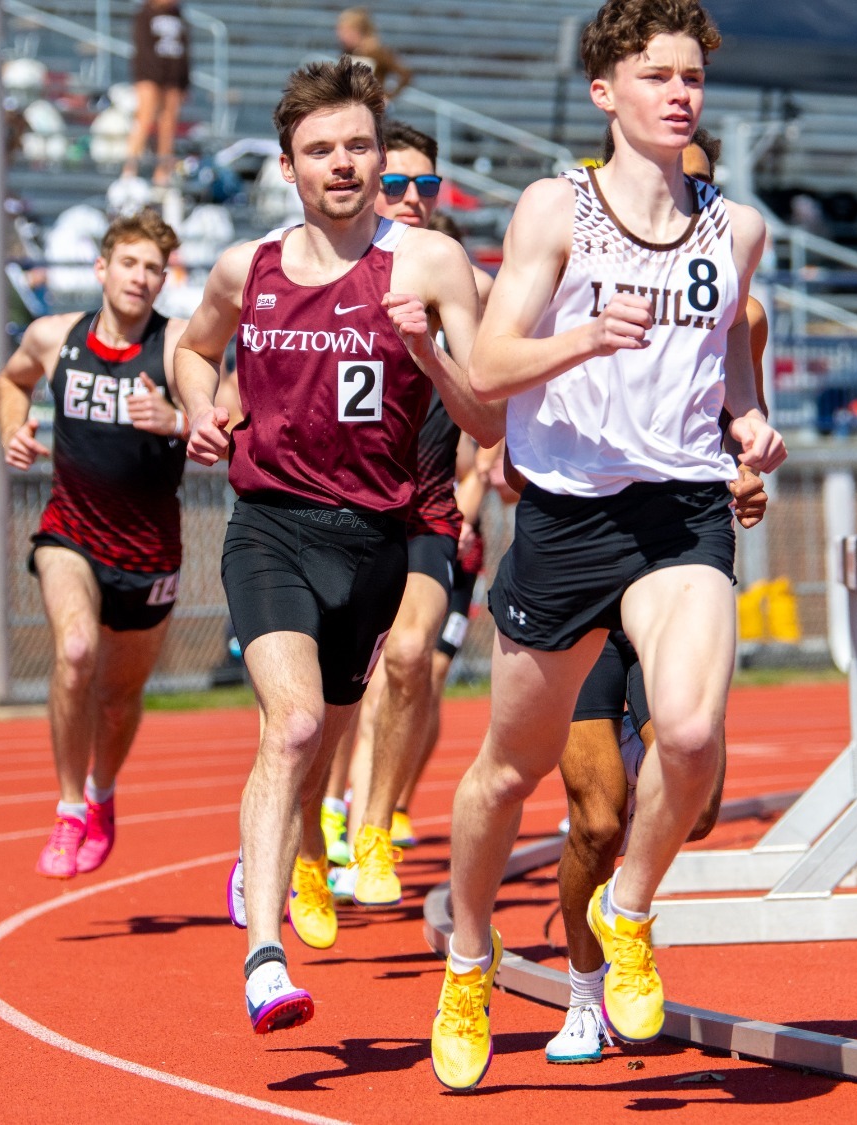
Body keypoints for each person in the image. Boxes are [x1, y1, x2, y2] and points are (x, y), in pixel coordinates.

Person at [430, 0, 781, 1090]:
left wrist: (747, 420)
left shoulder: (739, 228)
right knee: (505, 774)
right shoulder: (555, 210)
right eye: (655, 76)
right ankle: (468, 955)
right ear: (604, 93)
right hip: (566, 516)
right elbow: (484, 374)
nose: (678, 94)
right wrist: (583, 333)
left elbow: (728, 364)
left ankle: (626, 909)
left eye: (690, 76)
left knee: (686, 732)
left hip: (679, 510)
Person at [169, 58, 498, 1036]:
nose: (344, 164)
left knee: (338, 727)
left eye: (358, 145)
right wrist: (197, 409)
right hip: (268, 525)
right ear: (287, 167)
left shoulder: (433, 267)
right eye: (322, 150)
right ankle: (263, 955)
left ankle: (323, 845)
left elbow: (485, 412)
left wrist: (429, 349)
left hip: (373, 541)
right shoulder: (246, 268)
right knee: (296, 727)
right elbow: (193, 347)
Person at [544, 130, 771, 1065]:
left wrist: (749, 469)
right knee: (596, 816)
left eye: (702, 200)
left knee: (701, 798)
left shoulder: (738, 314)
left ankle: (626, 907)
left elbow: (743, 419)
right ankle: (585, 986)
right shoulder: (585, 269)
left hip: (681, 558)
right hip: (588, 557)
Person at [320, 120, 500, 906]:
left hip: (428, 510)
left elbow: (507, 378)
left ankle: (373, 822)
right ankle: (310, 821)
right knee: (332, 691)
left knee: (411, 660)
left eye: (427, 186)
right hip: (332, 513)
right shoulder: (321, 271)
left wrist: (507, 457)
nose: (414, 199)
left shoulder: (465, 282)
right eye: (397, 185)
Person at [0, 209, 191, 880]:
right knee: (75, 650)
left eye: (154, 269)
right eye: (130, 264)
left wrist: (178, 420)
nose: (141, 278)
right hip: (70, 533)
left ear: (165, 279)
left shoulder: (177, 347)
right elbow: (10, 379)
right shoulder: (54, 336)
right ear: (102, 268)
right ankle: (68, 805)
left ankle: (103, 792)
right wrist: (12, 428)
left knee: (116, 695)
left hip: (149, 554)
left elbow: (232, 423)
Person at [124, 0, 191, 188]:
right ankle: (130, 169)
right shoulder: (144, 14)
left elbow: (185, 50)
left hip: (173, 78)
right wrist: (154, 75)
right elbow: (143, 50)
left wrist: (184, 81)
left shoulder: (178, 16)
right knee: (144, 119)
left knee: (168, 124)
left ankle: (162, 172)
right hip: (150, 75)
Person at [336, 9, 412, 101]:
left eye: (346, 32)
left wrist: (388, 96)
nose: (341, 36)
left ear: (358, 32)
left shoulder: (377, 52)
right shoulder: (346, 52)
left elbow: (405, 73)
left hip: (372, 106)